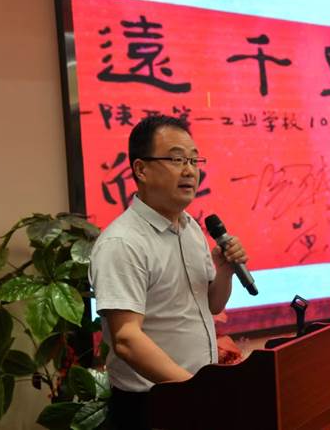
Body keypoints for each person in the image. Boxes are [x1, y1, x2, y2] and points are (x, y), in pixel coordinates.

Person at [89, 115, 248, 430]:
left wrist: (224, 271)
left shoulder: (190, 228)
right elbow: (126, 339)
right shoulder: (122, 243)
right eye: (176, 159)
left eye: (193, 160)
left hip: (193, 393)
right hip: (152, 404)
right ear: (141, 170)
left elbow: (212, 304)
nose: (189, 170)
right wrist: (193, 390)